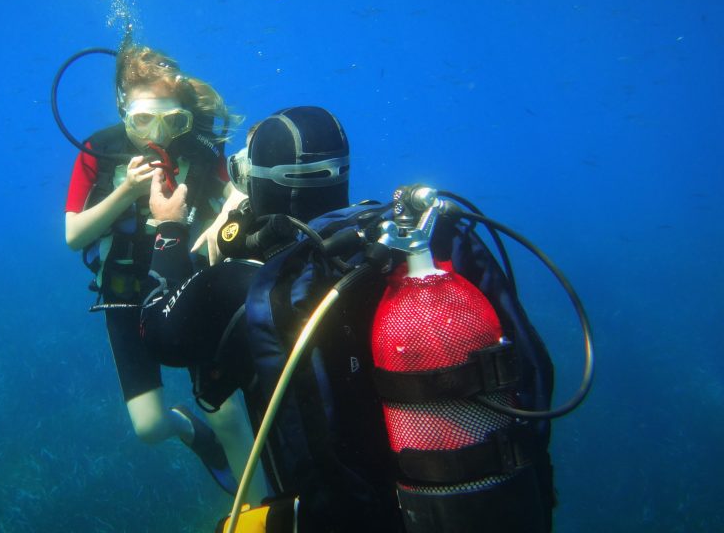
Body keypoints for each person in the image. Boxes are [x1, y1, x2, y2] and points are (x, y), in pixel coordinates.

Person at [142, 106, 557, 533]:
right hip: (495, 507)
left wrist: (168, 228)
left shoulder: (240, 282)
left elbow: (156, 331)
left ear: (260, 182)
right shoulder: (402, 248)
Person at [64, 41, 249, 494]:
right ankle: (188, 429)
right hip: (125, 294)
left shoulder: (202, 149)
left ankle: (259, 506)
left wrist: (222, 223)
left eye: (174, 120)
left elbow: (242, 196)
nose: (159, 133)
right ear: (124, 108)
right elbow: (73, 236)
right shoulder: (98, 150)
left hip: (191, 285)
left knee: (227, 412)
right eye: (143, 119)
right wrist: (125, 192)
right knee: (148, 427)